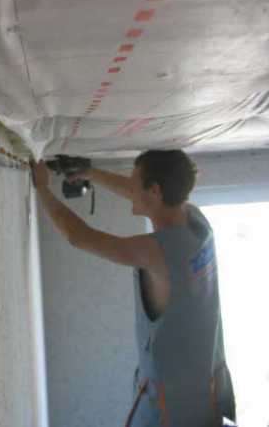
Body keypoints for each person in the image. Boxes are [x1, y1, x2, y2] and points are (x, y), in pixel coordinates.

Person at [31, 150, 235, 427]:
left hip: (172, 412)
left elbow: (79, 236)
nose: (129, 188)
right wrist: (89, 173)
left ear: (155, 191)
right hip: (206, 395)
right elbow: (139, 192)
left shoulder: (159, 252)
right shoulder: (198, 224)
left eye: (134, 181)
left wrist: (43, 188)